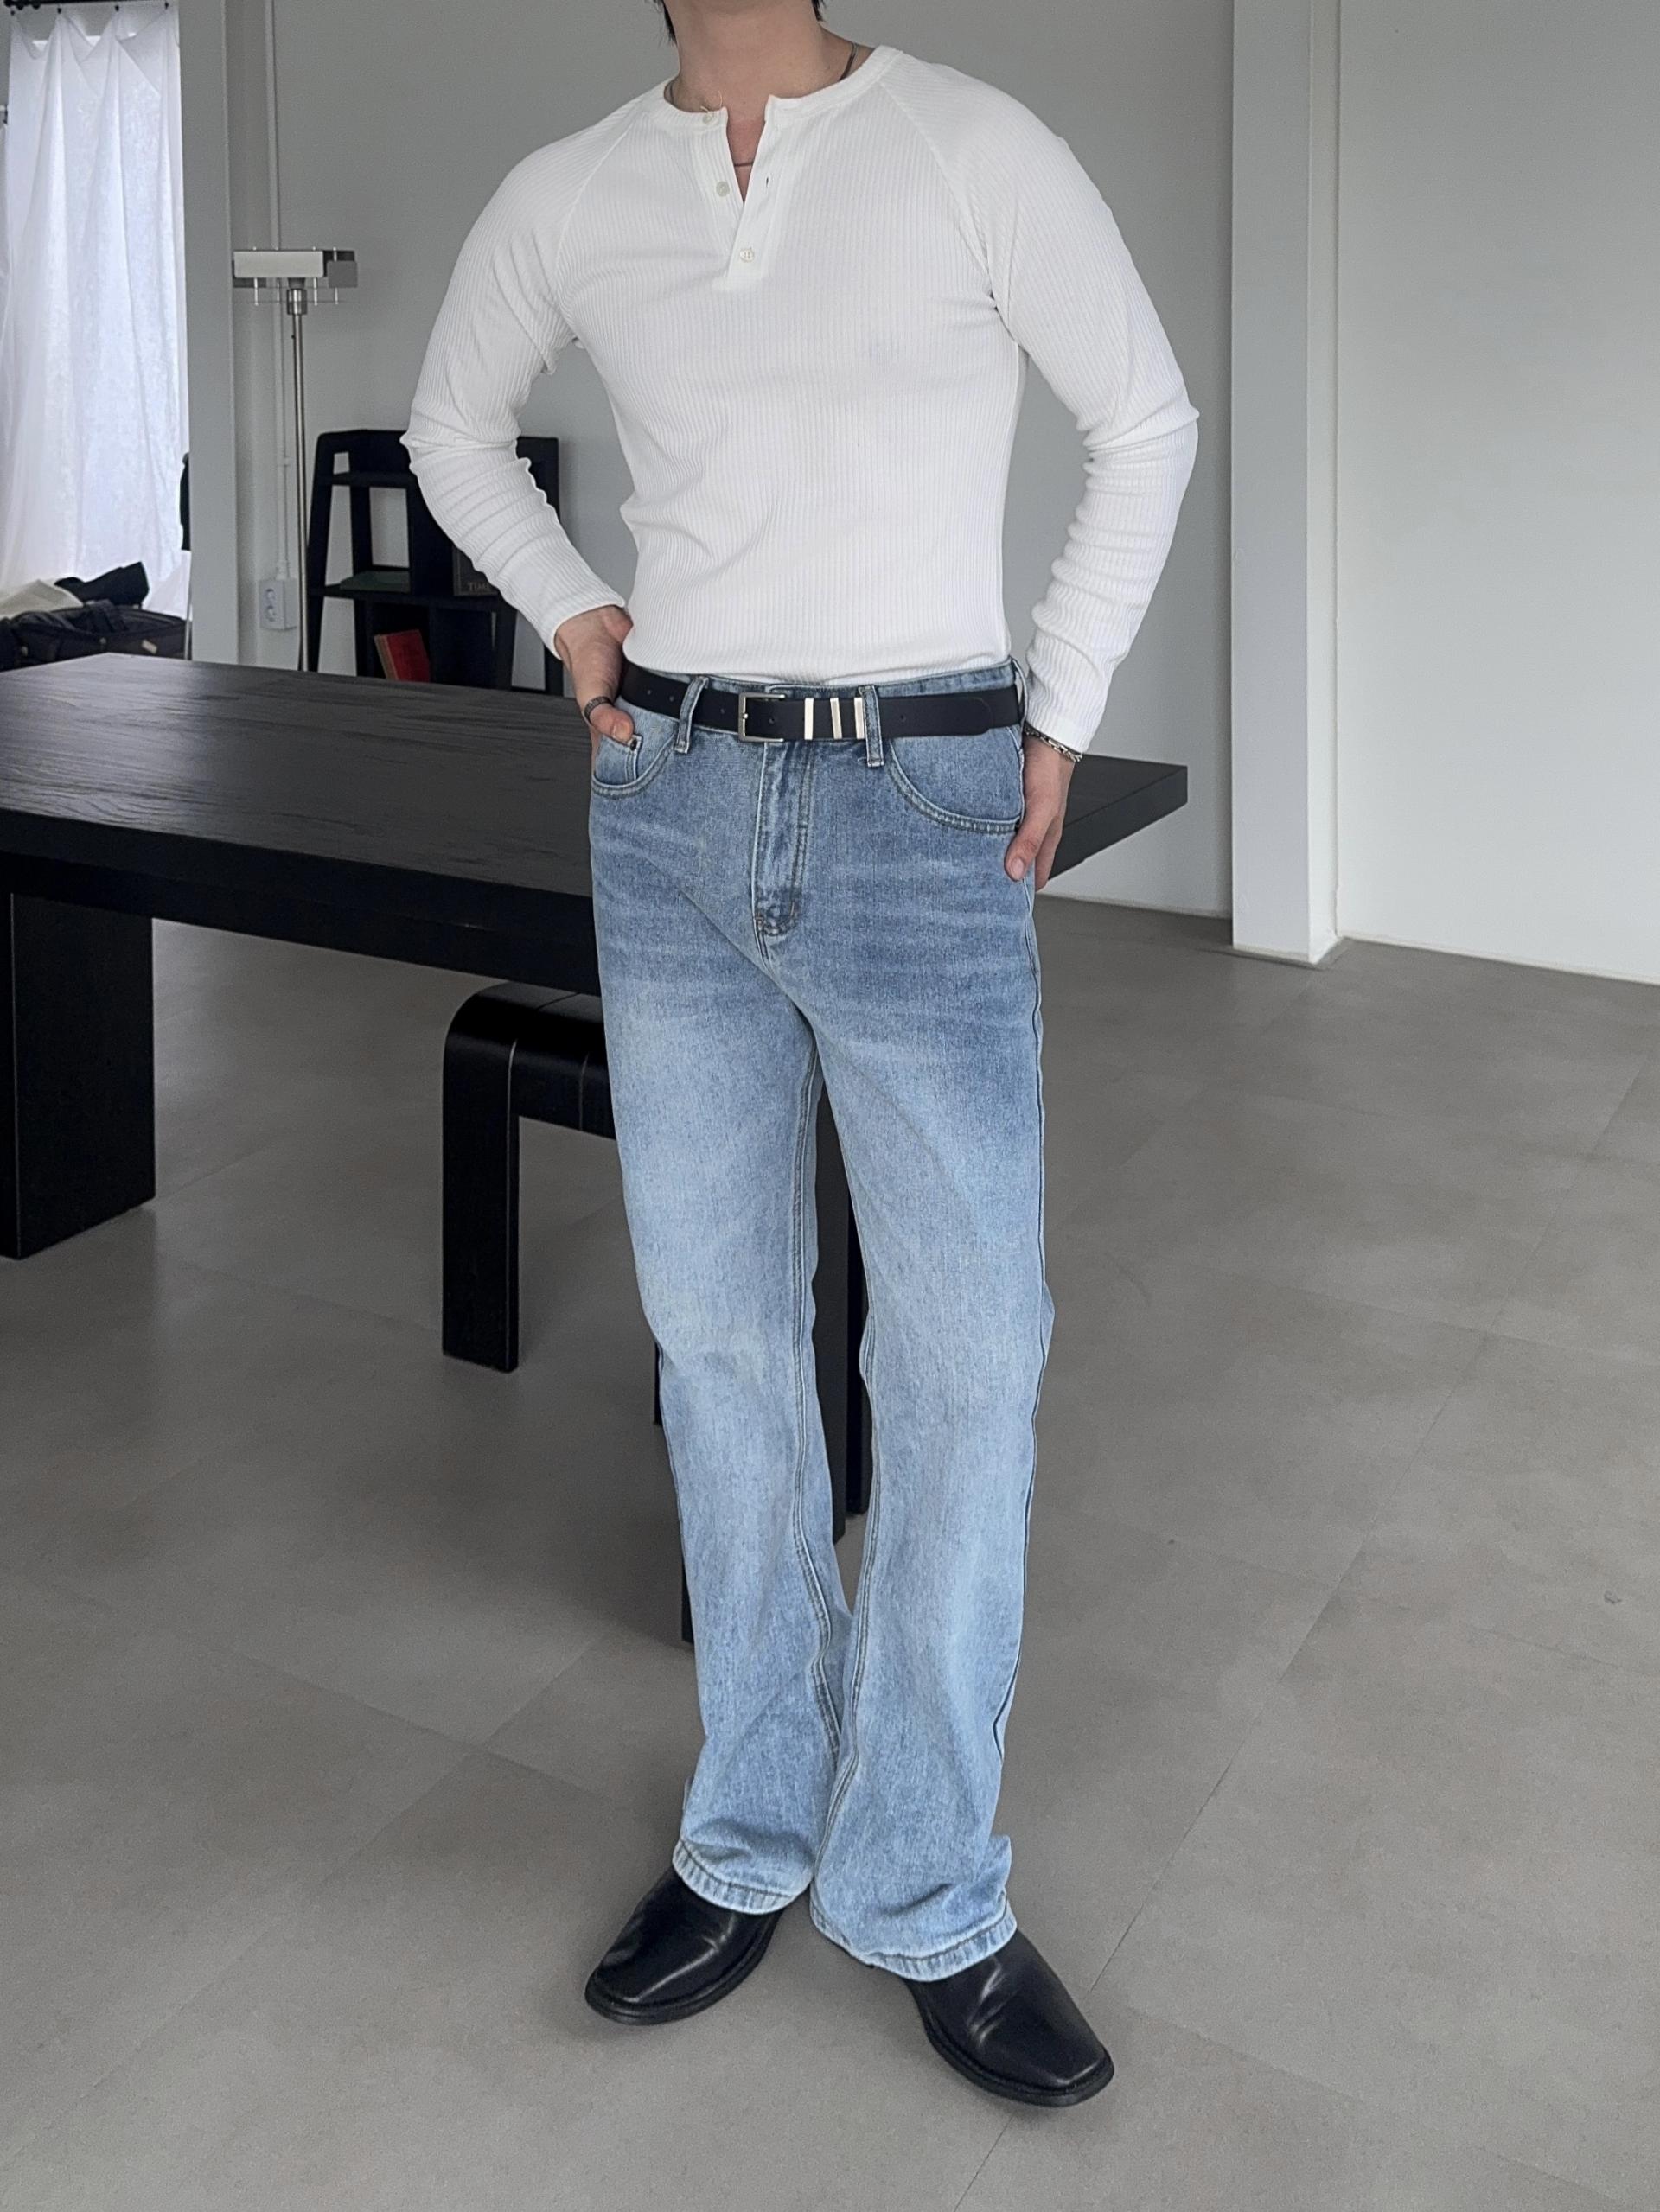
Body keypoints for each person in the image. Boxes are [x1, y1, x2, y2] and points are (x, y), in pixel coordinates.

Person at [404, 0, 1197, 2108]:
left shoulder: (970, 148)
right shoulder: (571, 192)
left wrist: (1059, 702)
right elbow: (452, 424)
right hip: (669, 798)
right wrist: (577, 612)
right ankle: (749, 1827)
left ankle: (927, 1878)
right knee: (723, 1340)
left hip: (925, 800)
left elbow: (1146, 416)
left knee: (965, 1354)